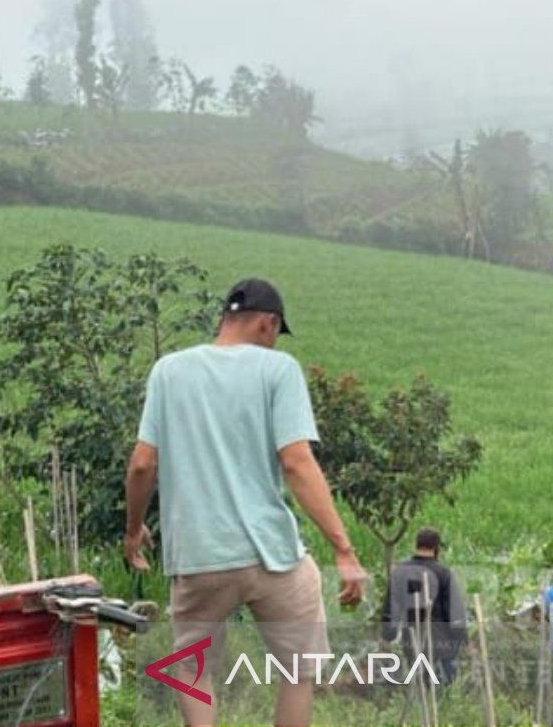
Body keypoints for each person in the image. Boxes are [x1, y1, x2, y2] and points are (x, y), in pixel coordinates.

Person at [124, 277, 367, 727]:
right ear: (268, 323)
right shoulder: (278, 370)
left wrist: (133, 531)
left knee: (194, 671)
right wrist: (343, 549)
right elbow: (297, 463)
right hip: (270, 555)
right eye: (276, 333)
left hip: (199, 557)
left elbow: (142, 463)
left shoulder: (168, 370)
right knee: (298, 671)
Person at [381, 528, 468, 684]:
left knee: (419, 687)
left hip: (412, 640)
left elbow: (390, 608)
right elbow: (455, 611)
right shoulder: (444, 573)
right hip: (442, 643)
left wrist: (388, 634)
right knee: (442, 690)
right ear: (436, 548)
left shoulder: (399, 572)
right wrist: (461, 638)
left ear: (417, 545)